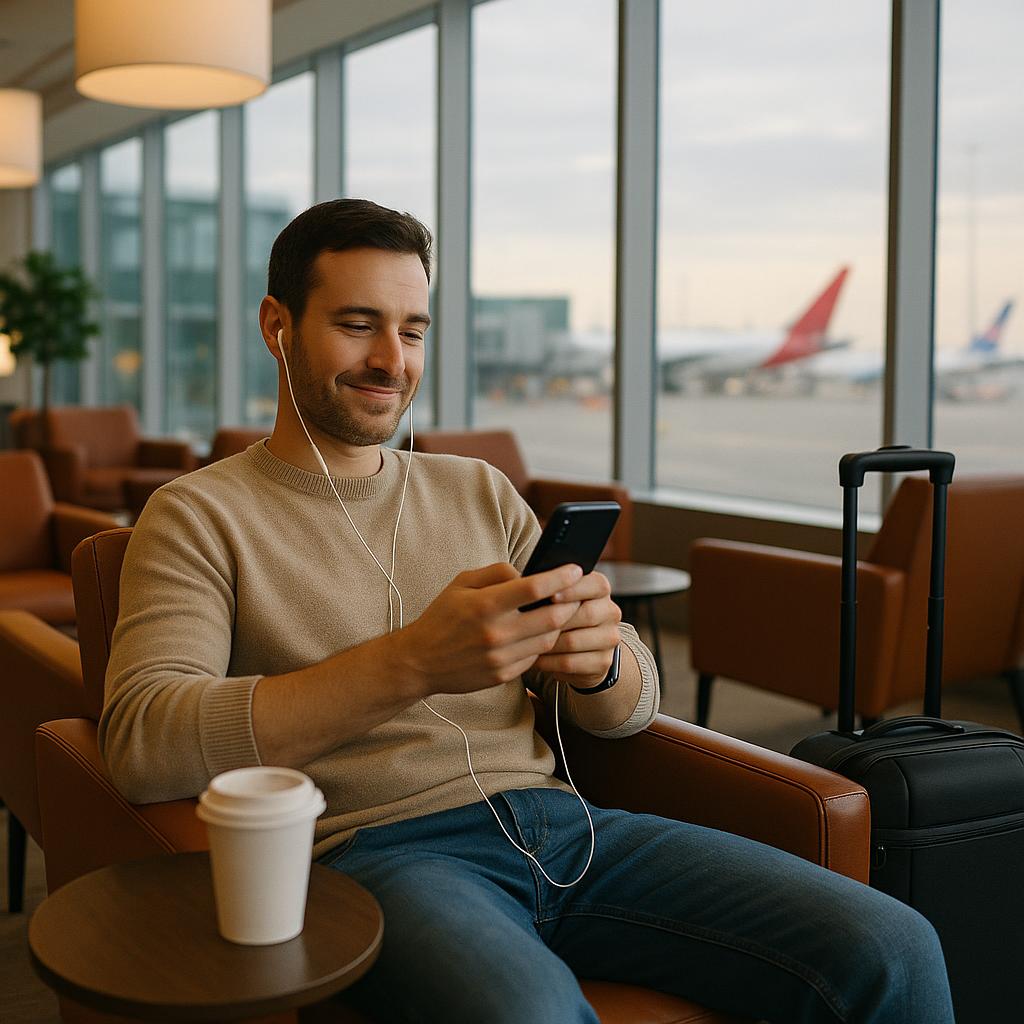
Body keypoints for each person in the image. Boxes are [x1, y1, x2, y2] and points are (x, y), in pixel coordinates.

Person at [101, 199, 954, 1024]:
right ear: (277, 326)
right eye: (358, 324)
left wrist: (600, 663)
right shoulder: (198, 515)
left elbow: (631, 709)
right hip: (380, 856)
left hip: (565, 826)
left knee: (894, 944)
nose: (391, 359)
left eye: (413, 330)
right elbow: (144, 741)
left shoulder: (475, 488)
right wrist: (412, 663)